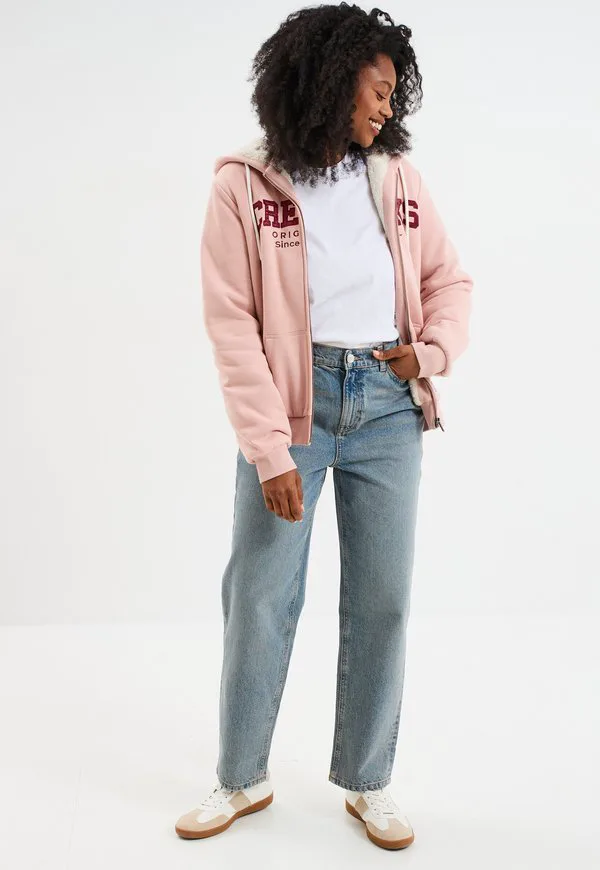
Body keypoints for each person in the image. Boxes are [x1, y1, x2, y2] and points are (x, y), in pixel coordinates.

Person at [175, 2, 473, 851]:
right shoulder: (244, 185)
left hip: (387, 405)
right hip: (292, 410)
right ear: (329, 81)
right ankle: (241, 776)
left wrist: (430, 353)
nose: (387, 106)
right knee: (260, 596)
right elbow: (232, 325)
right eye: (375, 89)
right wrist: (268, 447)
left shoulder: (398, 180)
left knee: (382, 600)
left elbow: (452, 283)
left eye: (393, 92)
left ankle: (369, 781)